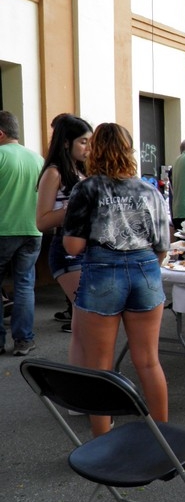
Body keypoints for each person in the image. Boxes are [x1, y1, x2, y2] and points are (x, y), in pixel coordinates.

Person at [62, 122, 170, 435]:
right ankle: (165, 439)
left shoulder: (87, 189)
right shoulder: (149, 189)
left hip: (101, 273)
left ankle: (103, 443)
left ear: (95, 150)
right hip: (145, 269)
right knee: (148, 361)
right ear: (128, 150)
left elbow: (73, 247)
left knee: (99, 366)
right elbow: (163, 246)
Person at [35, 114, 93, 340]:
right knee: (87, 312)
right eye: (83, 142)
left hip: (87, 246)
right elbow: (42, 221)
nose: (88, 148)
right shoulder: (54, 173)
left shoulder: (80, 171)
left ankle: (86, 358)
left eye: (90, 142)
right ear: (66, 142)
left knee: (88, 315)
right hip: (67, 248)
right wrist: (74, 207)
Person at [0, 111, 44, 356]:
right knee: (25, 285)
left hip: (3, 230)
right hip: (32, 231)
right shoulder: (38, 159)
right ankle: (24, 340)